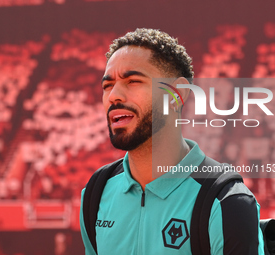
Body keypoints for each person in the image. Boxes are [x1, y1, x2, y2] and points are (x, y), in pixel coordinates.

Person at [80, 28, 265, 254]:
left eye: (133, 81)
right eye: (107, 85)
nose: (113, 95)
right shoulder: (95, 193)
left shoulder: (227, 202)